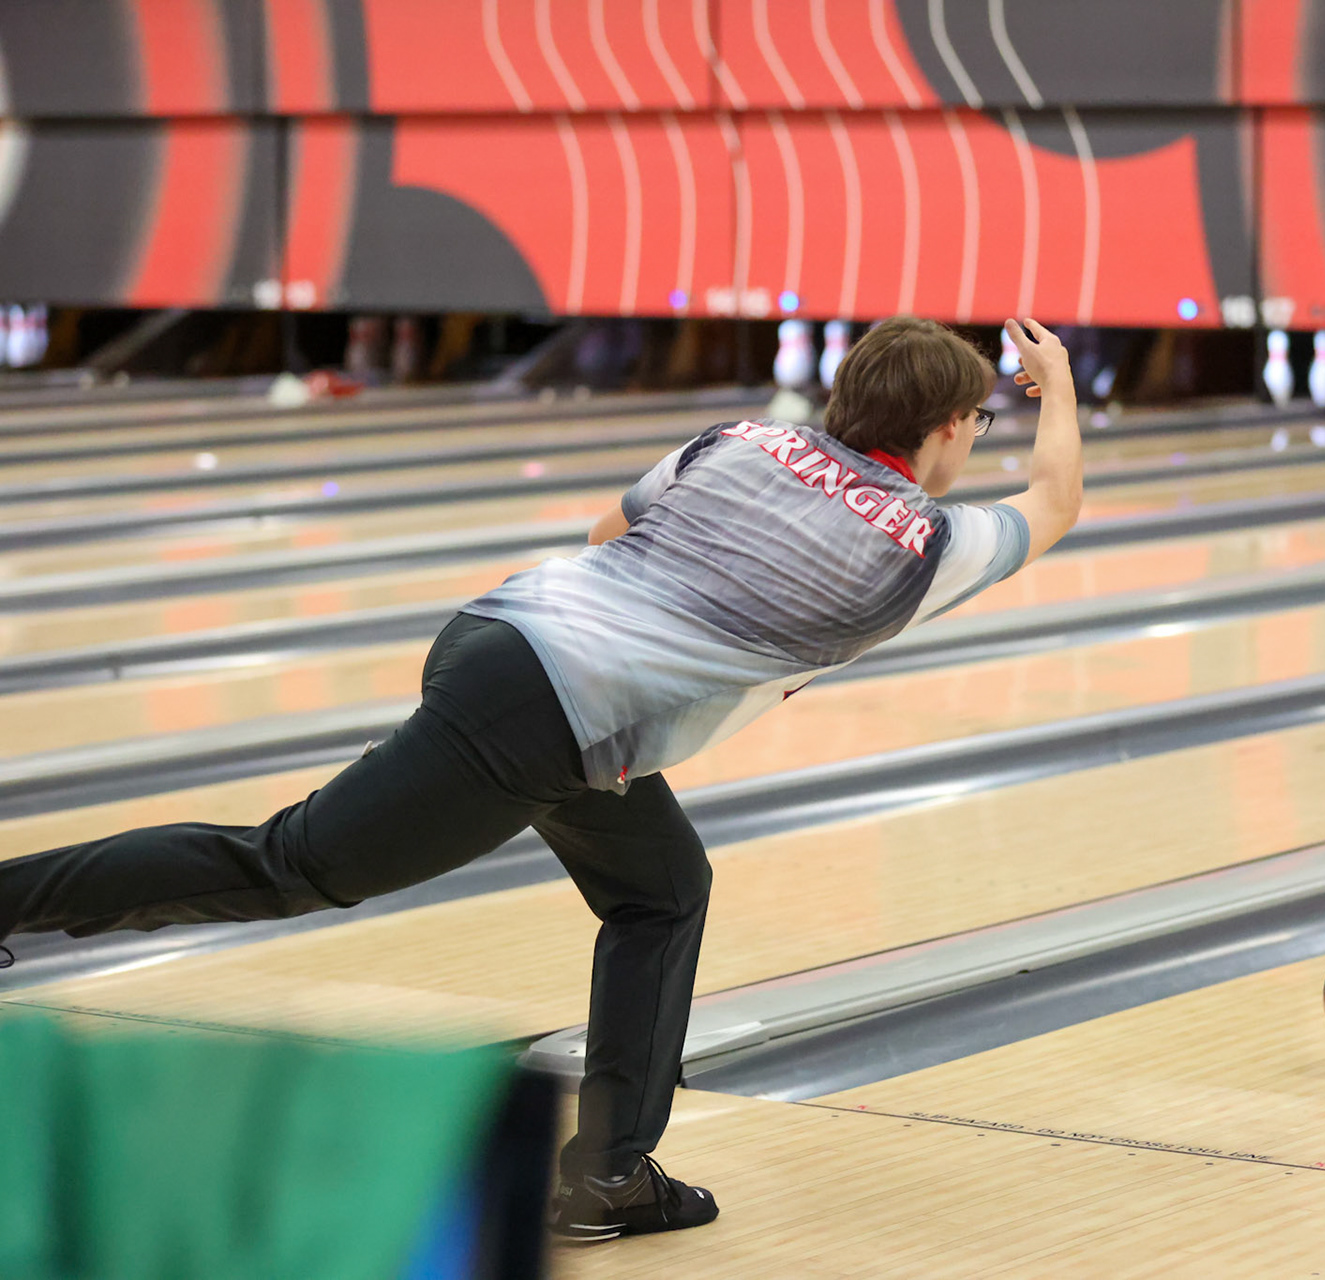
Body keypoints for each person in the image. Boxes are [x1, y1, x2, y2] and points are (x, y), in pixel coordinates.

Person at [0, 315, 1083, 1243]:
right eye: (979, 420)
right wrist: (1064, 385)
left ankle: (611, 1171)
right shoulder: (926, 542)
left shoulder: (747, 438)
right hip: (541, 717)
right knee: (294, 864)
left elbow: (611, 531)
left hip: (509, 643)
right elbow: (1059, 498)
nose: (977, 440)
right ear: (948, 428)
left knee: (664, 888)